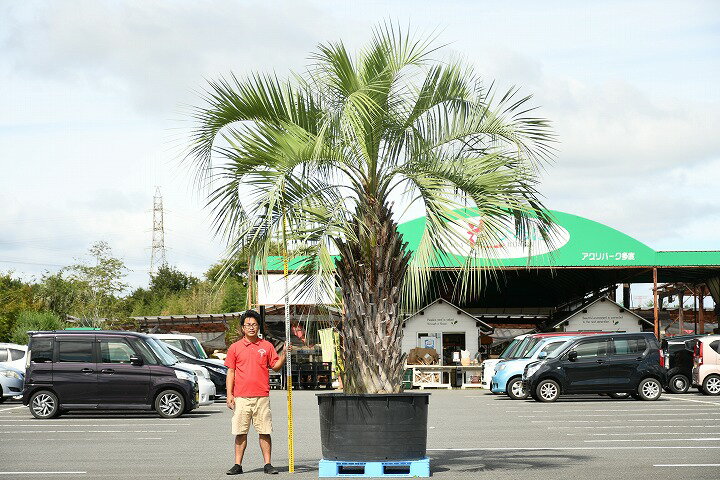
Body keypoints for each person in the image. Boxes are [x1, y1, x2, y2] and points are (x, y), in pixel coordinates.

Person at [225, 310, 287, 475]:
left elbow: (275, 366)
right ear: (243, 328)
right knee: (240, 432)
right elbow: (231, 372)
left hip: (261, 396)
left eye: (254, 324)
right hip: (241, 397)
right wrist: (229, 395)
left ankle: (268, 464)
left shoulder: (266, 346)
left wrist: (284, 355)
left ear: (259, 327)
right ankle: (237, 465)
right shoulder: (235, 348)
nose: (251, 327)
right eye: (248, 325)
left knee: (264, 431)